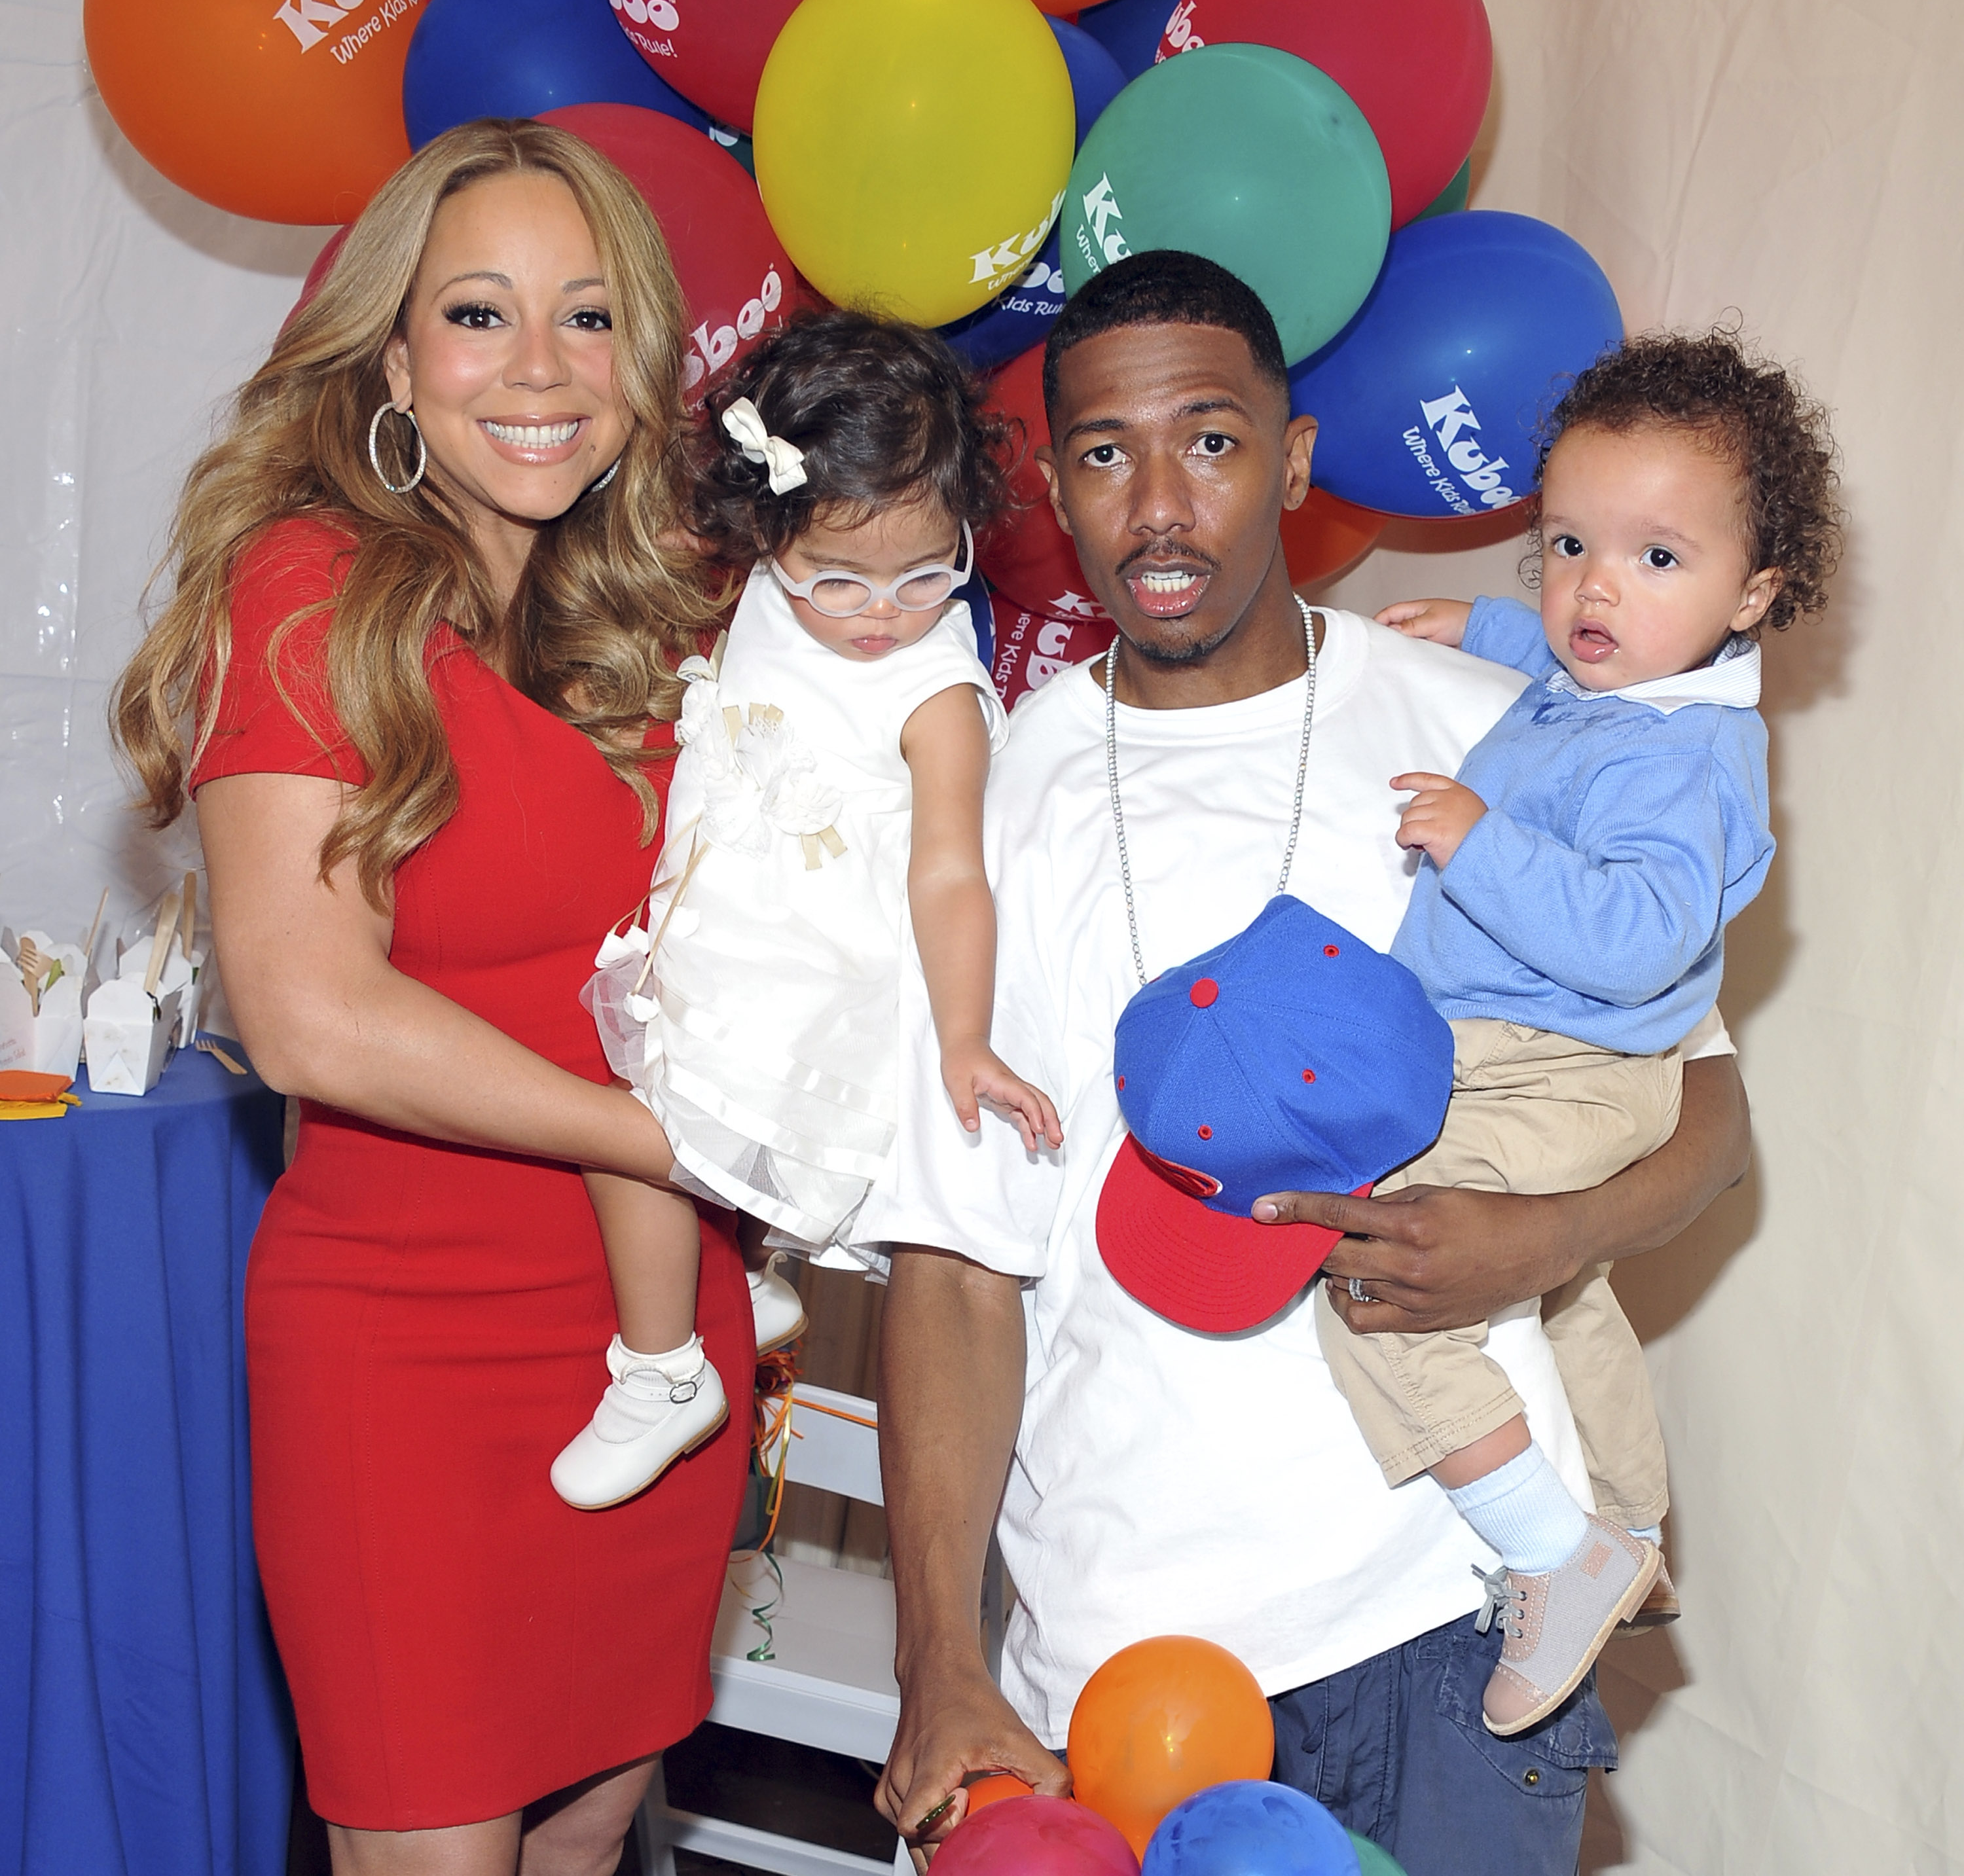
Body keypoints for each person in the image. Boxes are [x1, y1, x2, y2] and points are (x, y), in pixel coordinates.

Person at [860, 251, 1753, 1876]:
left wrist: (1541, 1242)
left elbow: (1704, 1106)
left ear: (1296, 457)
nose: (1158, 507)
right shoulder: (986, 805)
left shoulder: (1497, 722)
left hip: (1457, 1616)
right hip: (1124, 1644)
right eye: (1105, 453)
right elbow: (952, 1260)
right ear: (1053, 481)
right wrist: (937, 1661)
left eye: (1208, 440)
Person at [111, 121, 753, 1873]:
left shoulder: (653, 616)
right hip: (409, 1353)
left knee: (591, 1830)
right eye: (479, 315)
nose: (540, 370)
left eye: (590, 317)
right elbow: (309, 1013)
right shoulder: (311, 590)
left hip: (658, 1352)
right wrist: (667, 1135)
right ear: (393, 354)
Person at [1317, 329, 1842, 1737]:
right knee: (1566, 1296)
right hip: (1536, 1059)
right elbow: (1566, 675)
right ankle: (1632, 1524)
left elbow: (1640, 937)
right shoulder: (1632, 687)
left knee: (1379, 1276)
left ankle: (1561, 1551)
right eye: (1563, 547)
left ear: (1757, 591)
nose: (1594, 588)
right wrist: (1478, 630)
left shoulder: (1686, 762)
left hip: (1563, 1067)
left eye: (1656, 558)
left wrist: (1479, 846)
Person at [556, 312, 1061, 1511]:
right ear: (769, 529)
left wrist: (964, 1036)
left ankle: (666, 1367)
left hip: (804, 988)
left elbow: (949, 873)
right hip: (711, 936)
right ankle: (730, 1280)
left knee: (633, 1130)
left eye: (931, 574)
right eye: (837, 577)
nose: (882, 611)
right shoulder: (766, 588)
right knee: (652, 1118)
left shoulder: (934, 690)